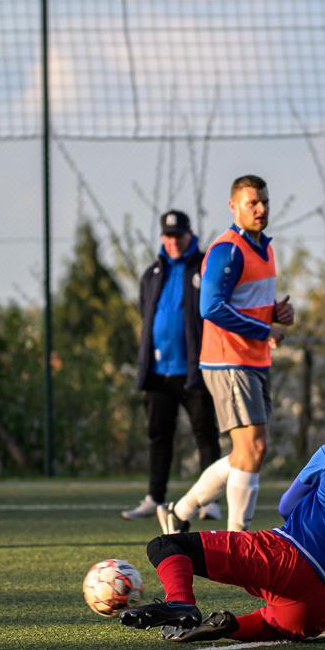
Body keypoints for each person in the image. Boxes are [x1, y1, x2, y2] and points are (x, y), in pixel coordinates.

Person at [121, 375, 325, 643]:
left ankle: (180, 602)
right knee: (274, 621)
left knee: (167, 545)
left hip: (285, 559)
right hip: (322, 608)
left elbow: (287, 505)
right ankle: (229, 626)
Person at [156, 175, 294, 533]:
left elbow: (245, 304)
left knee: (245, 453)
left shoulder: (265, 248)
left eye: (264, 201)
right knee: (254, 448)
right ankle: (237, 539)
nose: (261, 208)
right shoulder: (226, 250)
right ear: (233, 207)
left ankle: (179, 511)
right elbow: (211, 307)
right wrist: (266, 329)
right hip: (228, 360)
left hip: (254, 359)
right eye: (252, 203)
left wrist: (274, 314)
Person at [122, 210, 223, 522]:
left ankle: (210, 502)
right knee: (158, 434)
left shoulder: (205, 266)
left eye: (178, 235)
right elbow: (146, 314)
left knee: (205, 435)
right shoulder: (152, 273)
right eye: (167, 235)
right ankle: (155, 497)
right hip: (158, 372)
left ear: (189, 234)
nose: (173, 241)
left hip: (195, 370)